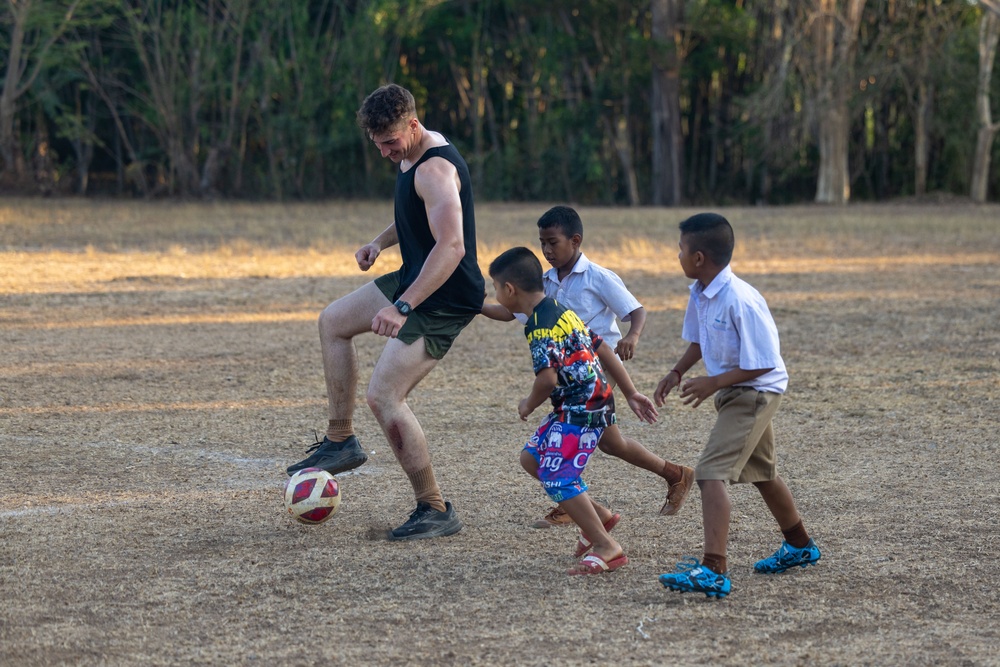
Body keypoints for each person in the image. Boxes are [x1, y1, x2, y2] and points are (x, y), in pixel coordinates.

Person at [286, 83, 485, 541]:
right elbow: (415, 216)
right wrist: (380, 241)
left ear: (413, 124)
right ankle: (340, 440)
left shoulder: (436, 169)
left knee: (384, 396)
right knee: (333, 322)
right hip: (417, 275)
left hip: (445, 295)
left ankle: (435, 508)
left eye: (390, 142)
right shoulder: (409, 156)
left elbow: (451, 246)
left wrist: (402, 306)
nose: (384, 152)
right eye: (377, 144)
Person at [481, 205, 694, 529]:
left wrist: (633, 337)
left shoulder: (598, 277)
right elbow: (510, 310)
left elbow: (635, 311)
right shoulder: (546, 282)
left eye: (553, 242)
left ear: (575, 240)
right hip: (575, 371)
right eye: (542, 243)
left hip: (592, 372)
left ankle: (579, 506)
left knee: (571, 439)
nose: (547, 250)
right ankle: (673, 474)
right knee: (609, 443)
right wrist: (474, 306)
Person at [654, 212, 820, 599]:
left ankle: (713, 569)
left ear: (698, 258)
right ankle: (799, 545)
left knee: (710, 473)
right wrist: (677, 372)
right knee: (761, 471)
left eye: (680, 250)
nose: (676, 256)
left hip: (755, 392)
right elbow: (698, 340)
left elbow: (765, 360)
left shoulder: (740, 299)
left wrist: (712, 382)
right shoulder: (700, 291)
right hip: (736, 391)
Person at [487, 246, 659, 574]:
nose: (495, 294)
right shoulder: (559, 309)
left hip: (583, 408)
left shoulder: (539, 327)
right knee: (533, 459)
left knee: (557, 476)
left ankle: (607, 547)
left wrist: (527, 404)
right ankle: (601, 518)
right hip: (583, 402)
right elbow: (602, 347)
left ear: (509, 290)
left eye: (495, 288)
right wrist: (630, 392)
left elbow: (547, 379)